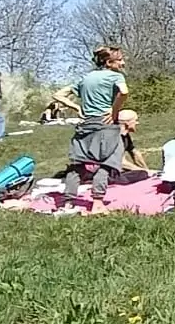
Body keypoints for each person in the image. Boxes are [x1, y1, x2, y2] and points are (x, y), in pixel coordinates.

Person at [52, 46, 132, 207]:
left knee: (78, 164)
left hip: (85, 125)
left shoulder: (86, 78)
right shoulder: (115, 76)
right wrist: (114, 110)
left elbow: (58, 94)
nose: (123, 63)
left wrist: (76, 108)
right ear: (109, 62)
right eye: (120, 60)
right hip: (105, 124)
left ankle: (68, 202)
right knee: (108, 162)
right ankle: (97, 201)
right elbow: (124, 92)